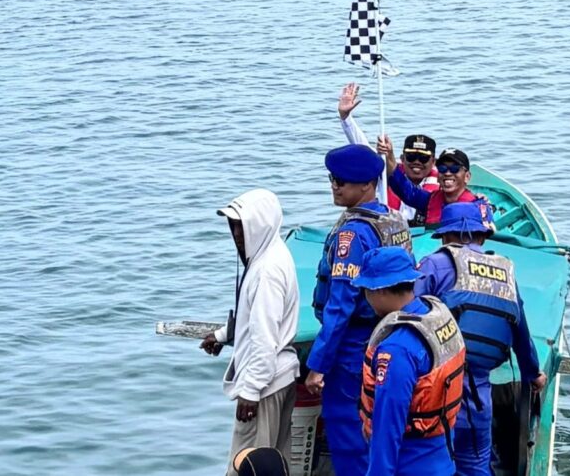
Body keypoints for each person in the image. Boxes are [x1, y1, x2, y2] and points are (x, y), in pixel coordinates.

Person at [304, 144, 413, 475]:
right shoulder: (391, 219)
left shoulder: (353, 233)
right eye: (332, 179)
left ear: (367, 184)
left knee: (349, 434)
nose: (335, 186)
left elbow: (340, 305)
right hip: (387, 335)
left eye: (342, 181)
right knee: (378, 432)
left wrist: (318, 365)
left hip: (352, 348)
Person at [416, 202, 547, 476]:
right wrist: (533, 374)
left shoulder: (436, 264)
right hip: (479, 399)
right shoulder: (504, 274)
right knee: (476, 466)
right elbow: (521, 332)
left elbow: (408, 315)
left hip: (435, 391)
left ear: (446, 236)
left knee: (427, 463)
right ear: (482, 235)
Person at [199, 189, 300, 474]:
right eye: (232, 226)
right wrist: (222, 336)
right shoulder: (273, 252)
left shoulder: (267, 270)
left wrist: (251, 390)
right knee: (276, 461)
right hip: (280, 376)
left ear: (261, 225)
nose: (236, 234)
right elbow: (253, 319)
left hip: (265, 384)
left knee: (248, 465)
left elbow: (264, 336)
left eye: (242, 226)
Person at [354, 247, 466, 476]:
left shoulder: (396, 349)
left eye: (366, 290)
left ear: (380, 290)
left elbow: (388, 425)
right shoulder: (436, 315)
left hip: (409, 465)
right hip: (442, 458)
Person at [336, 82, 437, 223]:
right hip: (388, 231)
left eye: (423, 158)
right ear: (402, 158)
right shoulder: (387, 173)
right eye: (411, 156)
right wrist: (345, 117)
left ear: (433, 162)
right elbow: (363, 148)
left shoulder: (442, 183)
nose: (417, 162)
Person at [377, 140, 488, 228]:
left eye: (454, 169)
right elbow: (403, 188)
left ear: (467, 177)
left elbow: (488, 233)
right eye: (443, 168)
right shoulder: (429, 200)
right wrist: (389, 155)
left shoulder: (478, 206)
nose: (448, 173)